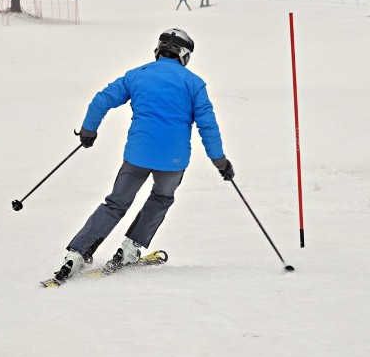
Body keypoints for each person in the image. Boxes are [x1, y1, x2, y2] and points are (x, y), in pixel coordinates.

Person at [51, 28, 234, 283]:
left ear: (159, 50)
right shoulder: (193, 83)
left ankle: (78, 253)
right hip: (173, 162)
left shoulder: (137, 76)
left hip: (137, 155)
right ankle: (130, 248)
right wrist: (220, 161)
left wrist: (88, 130)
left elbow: (102, 99)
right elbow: (208, 126)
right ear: (184, 55)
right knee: (161, 198)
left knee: (115, 203)